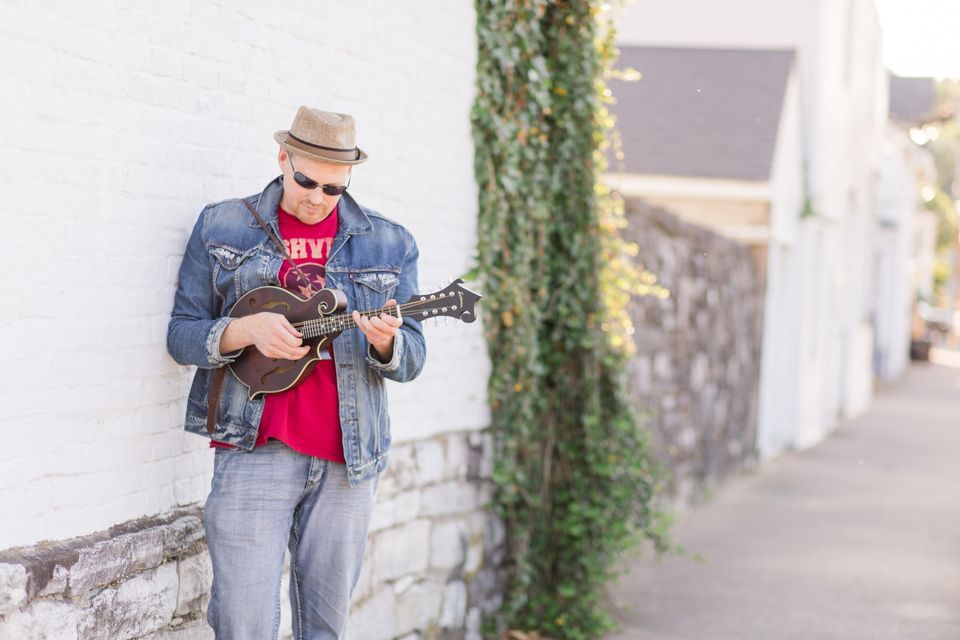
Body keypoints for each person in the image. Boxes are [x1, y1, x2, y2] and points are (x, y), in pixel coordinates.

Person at [166, 106, 426, 639]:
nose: (317, 197)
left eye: (334, 188)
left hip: (347, 463)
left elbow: (413, 356)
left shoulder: (389, 243)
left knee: (325, 629)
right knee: (244, 625)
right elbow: (181, 334)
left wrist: (387, 343)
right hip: (253, 450)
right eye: (306, 180)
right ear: (283, 158)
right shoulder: (223, 226)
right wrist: (245, 331)